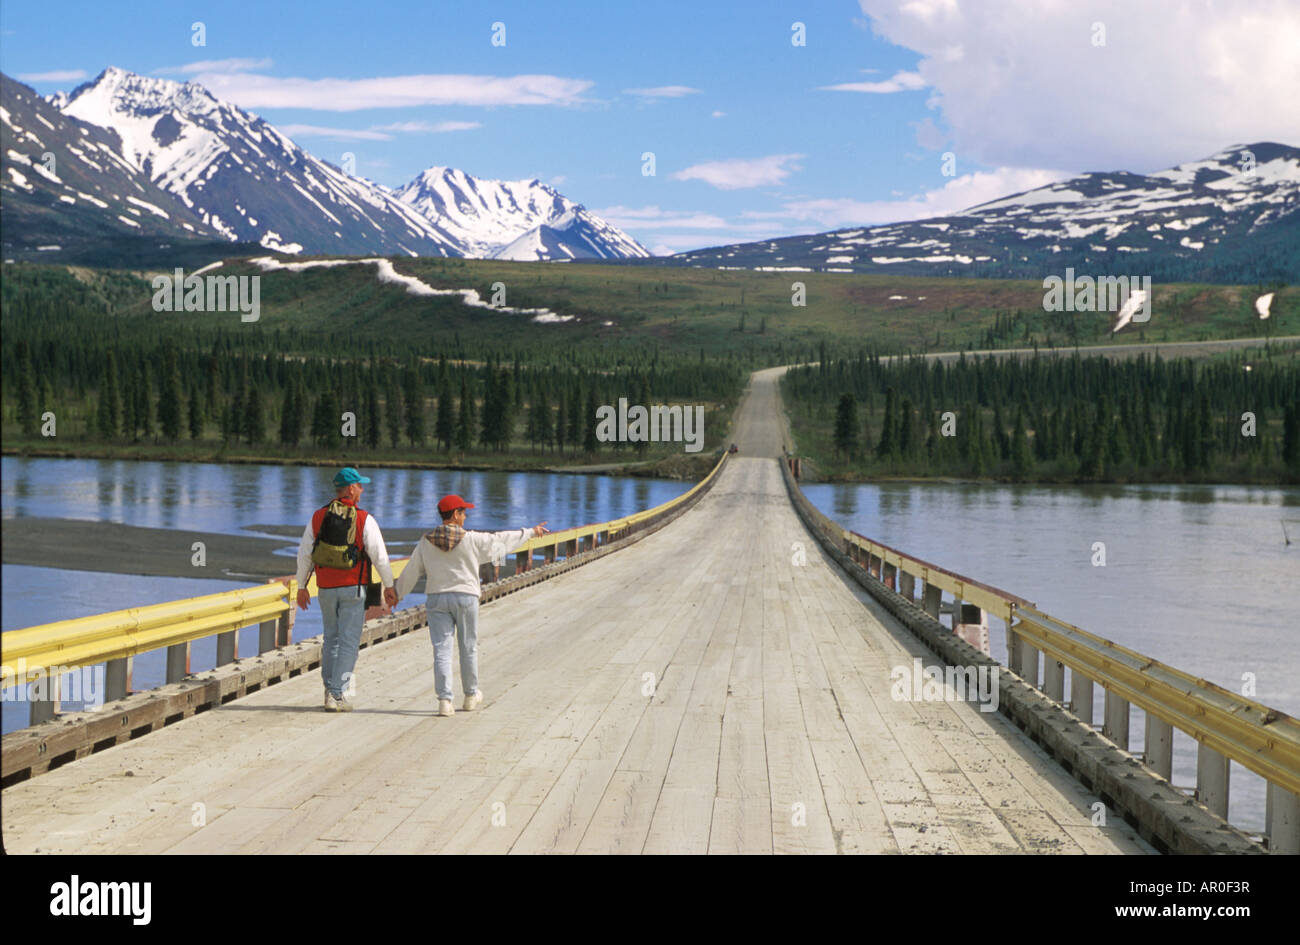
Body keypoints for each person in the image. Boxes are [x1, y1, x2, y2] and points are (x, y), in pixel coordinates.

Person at [395, 494, 548, 717]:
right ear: (455, 515)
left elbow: (412, 571)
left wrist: (397, 594)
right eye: (464, 512)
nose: (466, 516)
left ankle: (445, 701)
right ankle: (470, 696)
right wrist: (531, 532)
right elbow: (502, 540)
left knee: (442, 651)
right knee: (468, 647)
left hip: (437, 599)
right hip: (466, 597)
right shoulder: (472, 540)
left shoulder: (425, 541)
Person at [295, 467, 398, 712]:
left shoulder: (318, 516)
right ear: (351, 489)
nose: (362, 489)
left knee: (331, 639)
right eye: (360, 485)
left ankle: (329, 689)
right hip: (354, 587)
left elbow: (304, 554)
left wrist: (301, 586)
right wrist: (389, 586)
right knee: (349, 643)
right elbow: (380, 557)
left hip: (326, 589)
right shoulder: (364, 518)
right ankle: (337, 694)